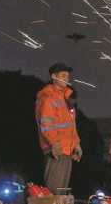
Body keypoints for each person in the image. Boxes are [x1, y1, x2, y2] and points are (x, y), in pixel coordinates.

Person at [35, 62, 82, 194]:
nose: (66, 78)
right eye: (63, 75)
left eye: (67, 76)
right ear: (53, 77)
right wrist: (54, 143)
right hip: (55, 151)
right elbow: (46, 123)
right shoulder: (48, 97)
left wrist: (76, 144)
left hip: (66, 151)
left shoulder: (64, 99)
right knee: (54, 192)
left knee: (60, 192)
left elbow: (71, 126)